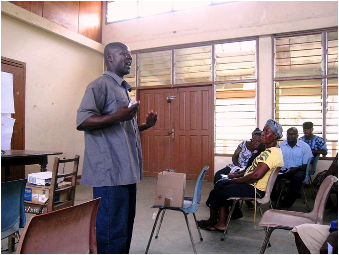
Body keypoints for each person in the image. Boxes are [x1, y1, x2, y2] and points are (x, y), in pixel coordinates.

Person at [76, 42, 157, 254]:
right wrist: (116, 116)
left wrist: (144, 126)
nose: (129, 57)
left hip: (126, 172)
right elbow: (83, 121)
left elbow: (120, 128)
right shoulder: (99, 85)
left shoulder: (122, 88)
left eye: (130, 54)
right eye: (124, 54)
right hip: (110, 174)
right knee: (111, 231)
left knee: (124, 229)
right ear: (110, 58)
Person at [197, 119, 284, 232]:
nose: (263, 134)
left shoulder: (270, 154)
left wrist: (237, 180)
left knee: (219, 189)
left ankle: (214, 221)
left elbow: (256, 175)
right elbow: (253, 171)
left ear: (275, 136)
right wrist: (238, 176)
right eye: (263, 131)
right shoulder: (273, 151)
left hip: (255, 189)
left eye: (267, 132)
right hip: (254, 186)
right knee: (221, 185)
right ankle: (221, 222)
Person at [214, 128, 265, 212]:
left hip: (246, 170)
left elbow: (252, 169)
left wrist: (239, 173)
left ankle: (234, 204)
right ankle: (218, 201)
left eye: (258, 140)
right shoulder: (244, 144)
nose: (255, 142)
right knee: (218, 174)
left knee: (228, 183)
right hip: (236, 166)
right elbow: (234, 156)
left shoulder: (260, 152)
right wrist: (237, 166)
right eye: (253, 139)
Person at [271, 127, 313, 209]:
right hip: (283, 170)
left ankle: (287, 203)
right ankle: (275, 199)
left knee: (297, 178)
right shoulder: (280, 146)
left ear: (297, 135)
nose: (290, 136)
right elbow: (274, 160)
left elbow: (306, 165)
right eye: (288, 134)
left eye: (292, 134)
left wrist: (296, 168)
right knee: (270, 177)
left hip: (298, 170)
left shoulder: (305, 147)